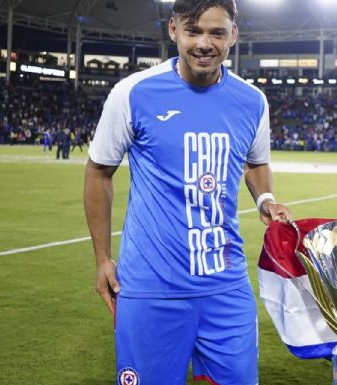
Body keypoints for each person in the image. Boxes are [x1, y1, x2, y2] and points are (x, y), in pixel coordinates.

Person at [83, 0, 291, 384]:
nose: (204, 44)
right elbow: (99, 171)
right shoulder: (133, 93)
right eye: (194, 31)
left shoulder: (252, 101)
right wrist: (102, 259)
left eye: (217, 32)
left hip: (226, 287)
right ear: (174, 30)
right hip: (150, 287)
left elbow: (256, 162)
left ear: (234, 34)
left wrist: (264, 199)